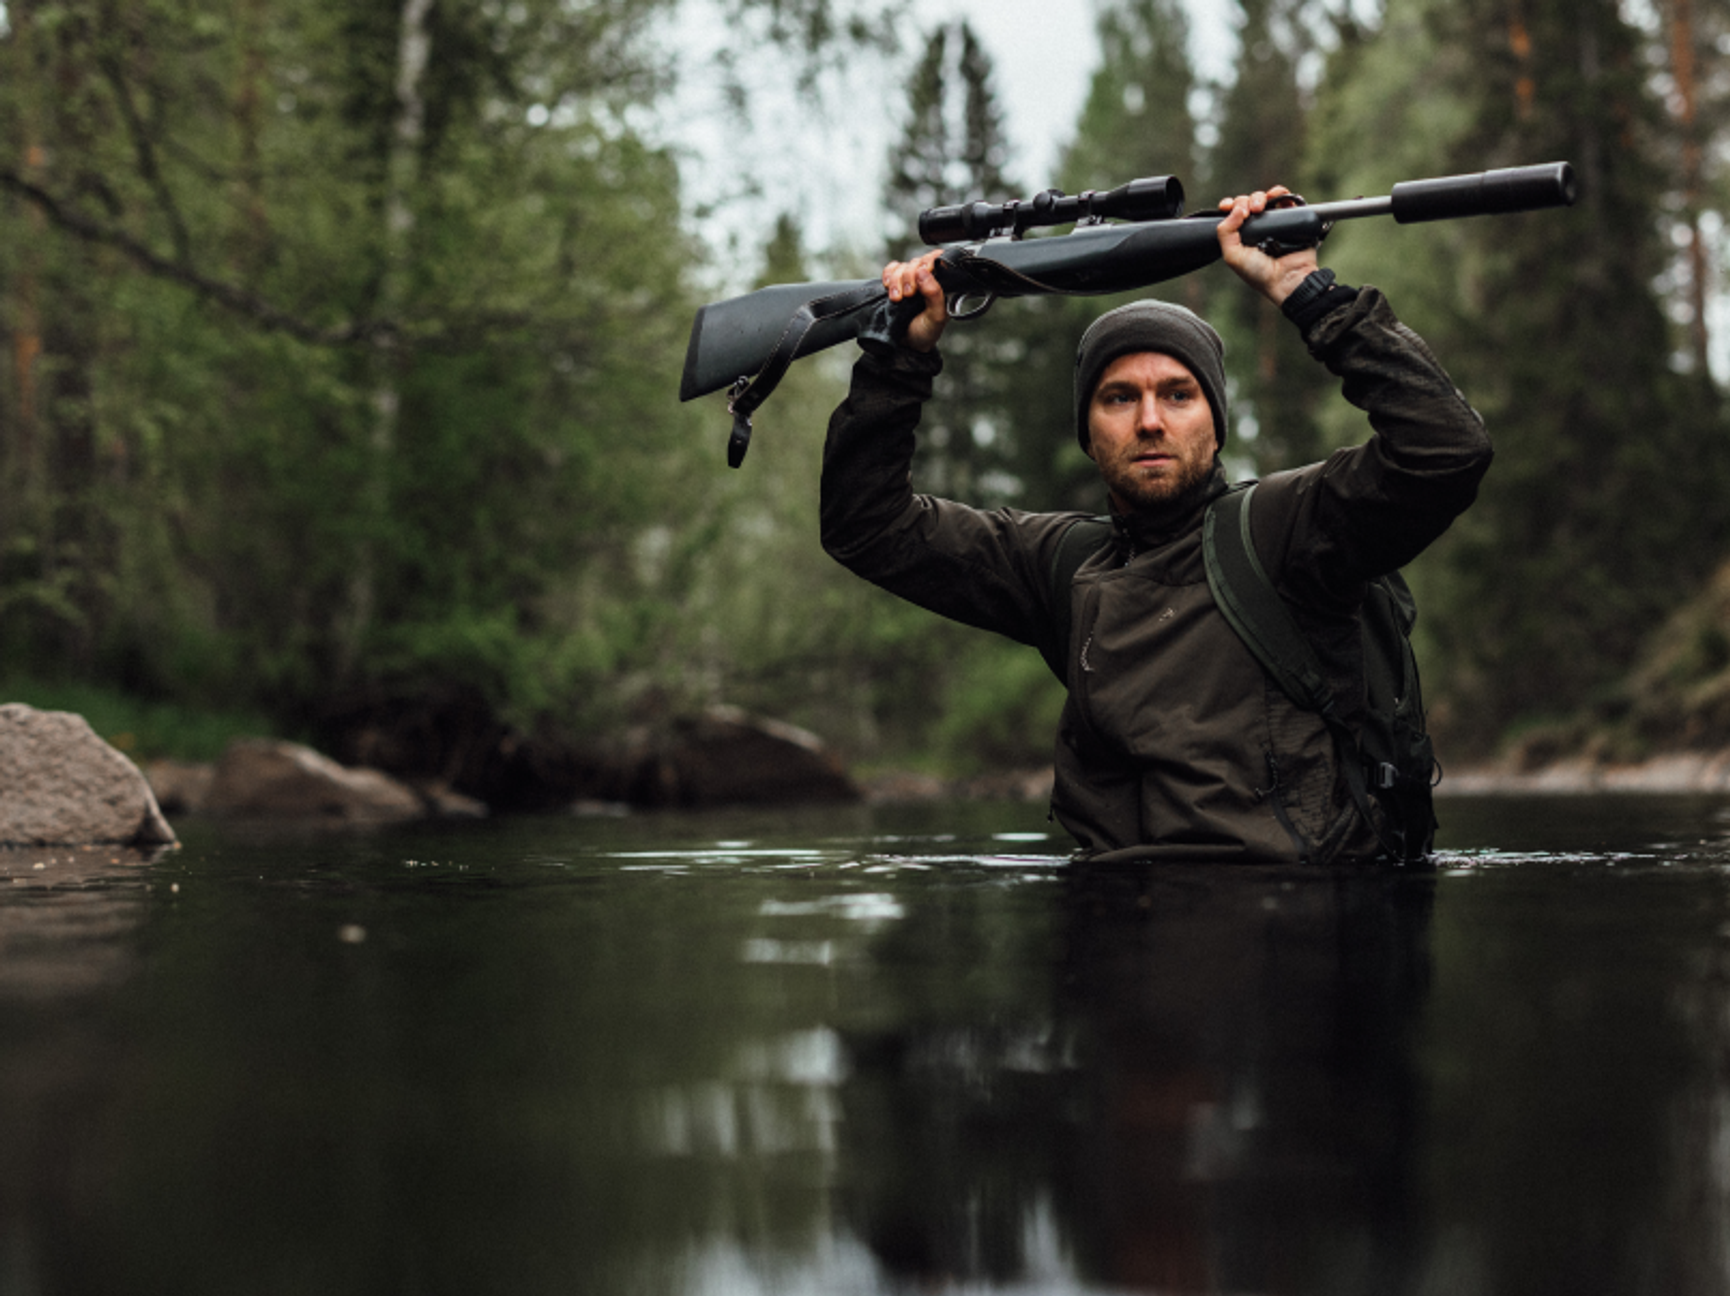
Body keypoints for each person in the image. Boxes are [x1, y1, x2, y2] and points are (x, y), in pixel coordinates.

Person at [820, 186, 1492, 864]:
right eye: (1119, 397)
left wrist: (1308, 293)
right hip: (1110, 922)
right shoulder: (1060, 565)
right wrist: (895, 365)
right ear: (1088, 428)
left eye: (1177, 394)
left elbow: (1445, 451)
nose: (1149, 420)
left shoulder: (1291, 529)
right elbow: (868, 526)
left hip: (1295, 930)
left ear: (1214, 419)